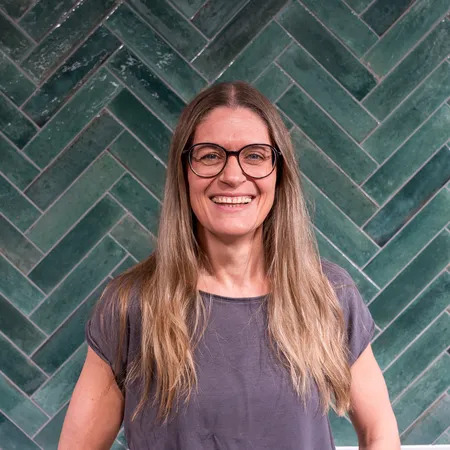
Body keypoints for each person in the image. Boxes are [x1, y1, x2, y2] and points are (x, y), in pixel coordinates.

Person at [58, 81, 401, 449]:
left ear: (279, 172)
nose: (233, 176)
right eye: (210, 156)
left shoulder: (327, 293)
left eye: (255, 155)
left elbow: (379, 432)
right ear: (184, 172)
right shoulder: (131, 304)